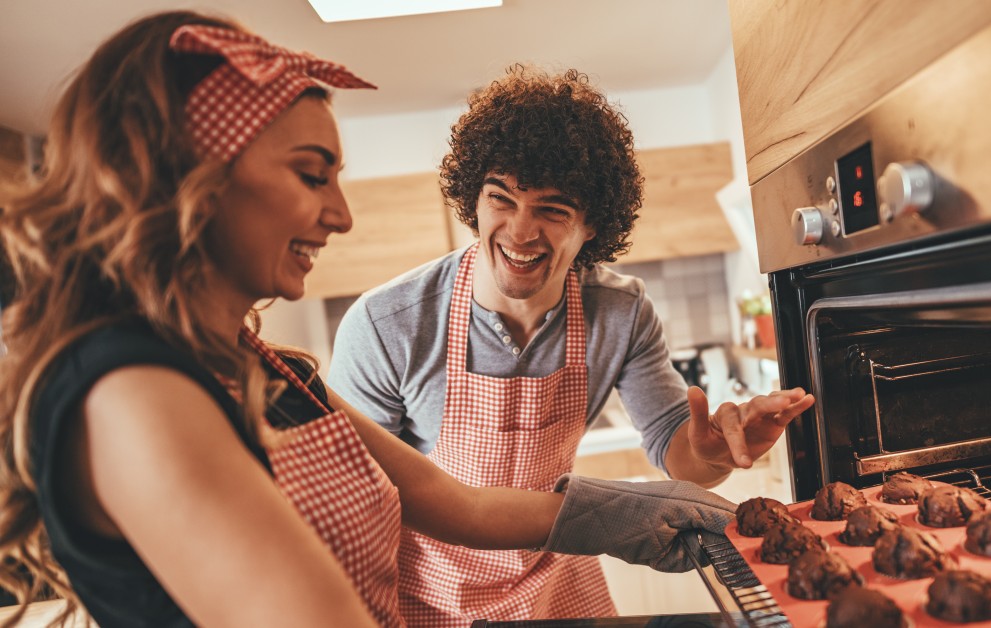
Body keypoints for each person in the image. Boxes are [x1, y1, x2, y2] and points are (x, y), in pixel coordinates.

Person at [0, 12, 738, 627]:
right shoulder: (136, 393)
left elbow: (459, 505)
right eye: (311, 174)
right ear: (191, 177)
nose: (342, 216)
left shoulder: (262, 367)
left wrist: (627, 515)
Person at [328, 65, 816, 624]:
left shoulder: (621, 313)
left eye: (552, 210)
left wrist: (708, 456)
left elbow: (673, 449)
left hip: (554, 583)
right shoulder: (387, 323)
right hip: (430, 596)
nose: (519, 231)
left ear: (592, 226)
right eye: (501, 199)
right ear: (473, 201)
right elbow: (361, 502)